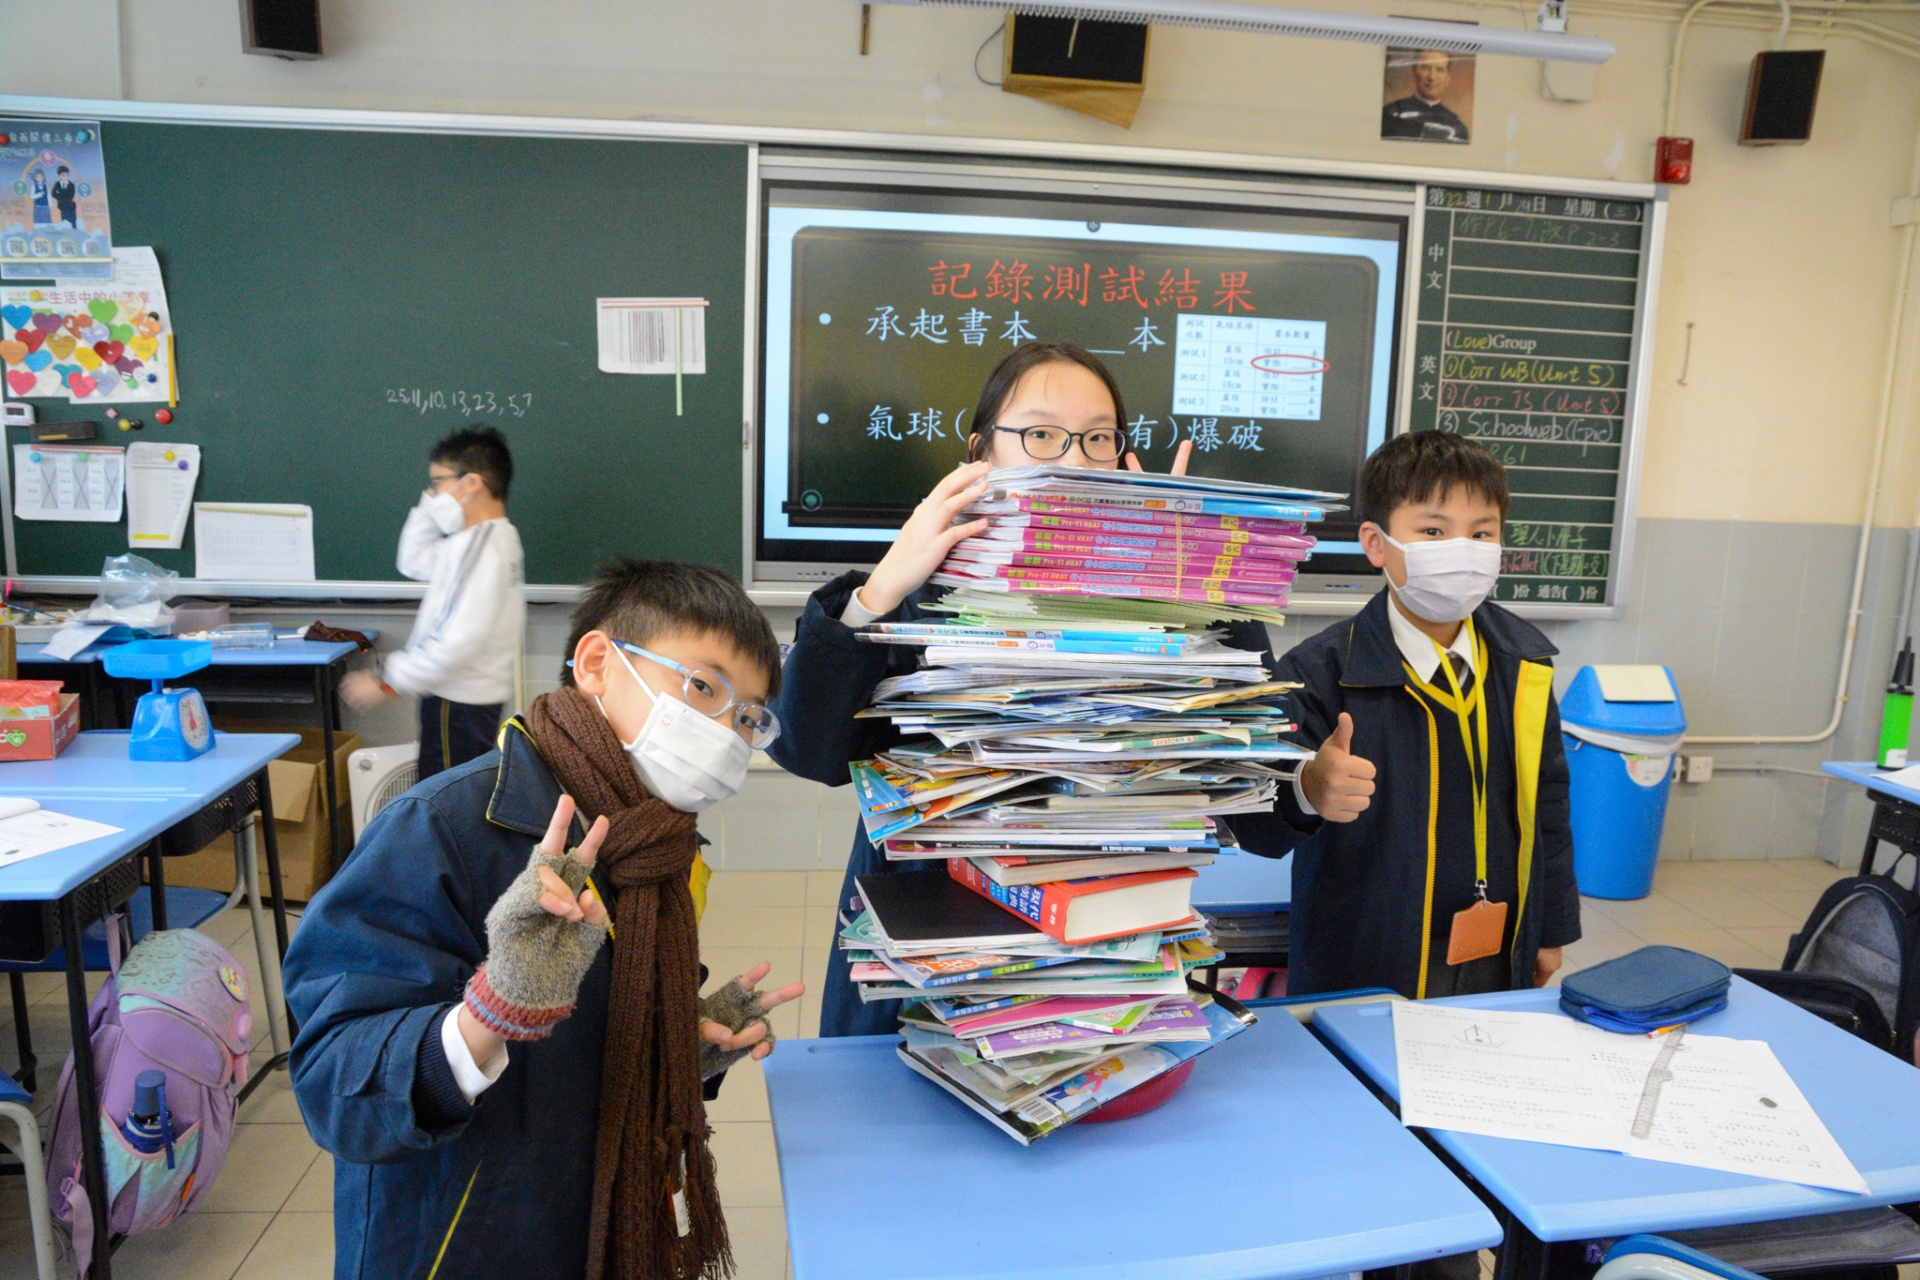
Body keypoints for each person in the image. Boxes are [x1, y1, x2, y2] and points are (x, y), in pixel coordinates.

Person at [285, 558, 806, 1280]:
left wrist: (682, 1047)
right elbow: (332, 1083)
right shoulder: (443, 825)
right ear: (597, 664)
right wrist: (488, 1013)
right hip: (461, 1249)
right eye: (702, 687)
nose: (725, 731)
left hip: (593, 1226)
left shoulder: (659, 846)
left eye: (747, 717)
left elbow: (598, 1037)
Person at [768, 340, 1291, 1038]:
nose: (1074, 463)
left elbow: (1254, 789)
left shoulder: (1177, 597)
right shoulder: (923, 591)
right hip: (933, 959)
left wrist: (1188, 583)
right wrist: (878, 590)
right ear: (980, 452)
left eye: (1098, 438)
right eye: (1041, 435)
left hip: (1104, 954)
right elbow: (811, 752)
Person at [1267, 430, 1579, 1002]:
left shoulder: (1524, 665)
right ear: (1376, 543)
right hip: (1367, 956)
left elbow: (1549, 805)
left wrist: (1551, 927)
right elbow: (1255, 818)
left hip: (1497, 947)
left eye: (1481, 533)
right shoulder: (1320, 671)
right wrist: (1307, 788)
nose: (1462, 550)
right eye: (1433, 531)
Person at [343, 425, 526, 778]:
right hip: (462, 700)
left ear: (472, 483)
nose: (432, 493)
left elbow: (457, 640)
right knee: (455, 795)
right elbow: (412, 560)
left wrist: (385, 680)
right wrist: (430, 508)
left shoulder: (482, 549)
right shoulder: (477, 541)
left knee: (444, 799)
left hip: (457, 703)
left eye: (438, 483)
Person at [1381, 49, 1471, 143]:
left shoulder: (1457, 128)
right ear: (1414, 71)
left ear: (1447, 77)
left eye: (1439, 70)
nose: (1432, 77)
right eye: (1426, 68)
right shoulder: (1389, 116)